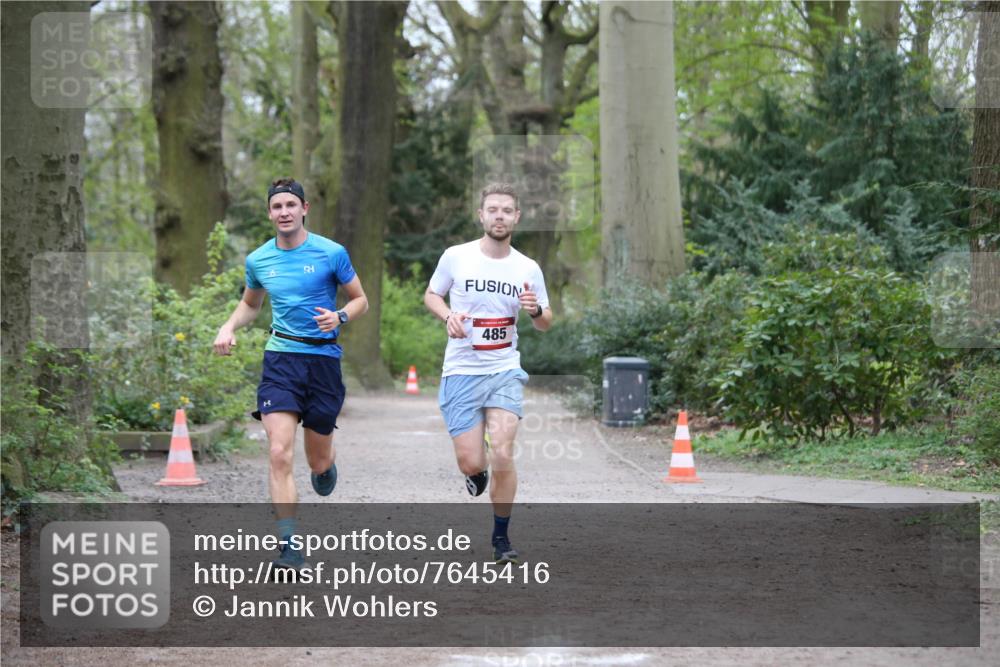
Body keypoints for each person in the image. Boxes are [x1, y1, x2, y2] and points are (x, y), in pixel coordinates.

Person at [213, 178, 368, 569]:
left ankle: (326, 464)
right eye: (276, 206)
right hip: (281, 360)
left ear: (304, 209)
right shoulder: (259, 260)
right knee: (279, 451)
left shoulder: (332, 253)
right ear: (270, 213)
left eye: (290, 205)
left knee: (316, 462)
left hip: (323, 363)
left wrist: (340, 316)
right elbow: (250, 304)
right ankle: (289, 545)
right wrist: (228, 327)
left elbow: (360, 298)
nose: (283, 212)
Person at [424, 182, 552, 563]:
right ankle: (474, 473)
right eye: (492, 209)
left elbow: (546, 322)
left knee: (503, 452)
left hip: (504, 370)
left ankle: (501, 539)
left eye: (506, 210)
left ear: (517, 217)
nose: (499, 216)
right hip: (461, 371)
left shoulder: (527, 267)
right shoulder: (456, 257)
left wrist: (533, 311)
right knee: (473, 462)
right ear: (481, 215)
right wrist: (448, 315)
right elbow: (432, 294)